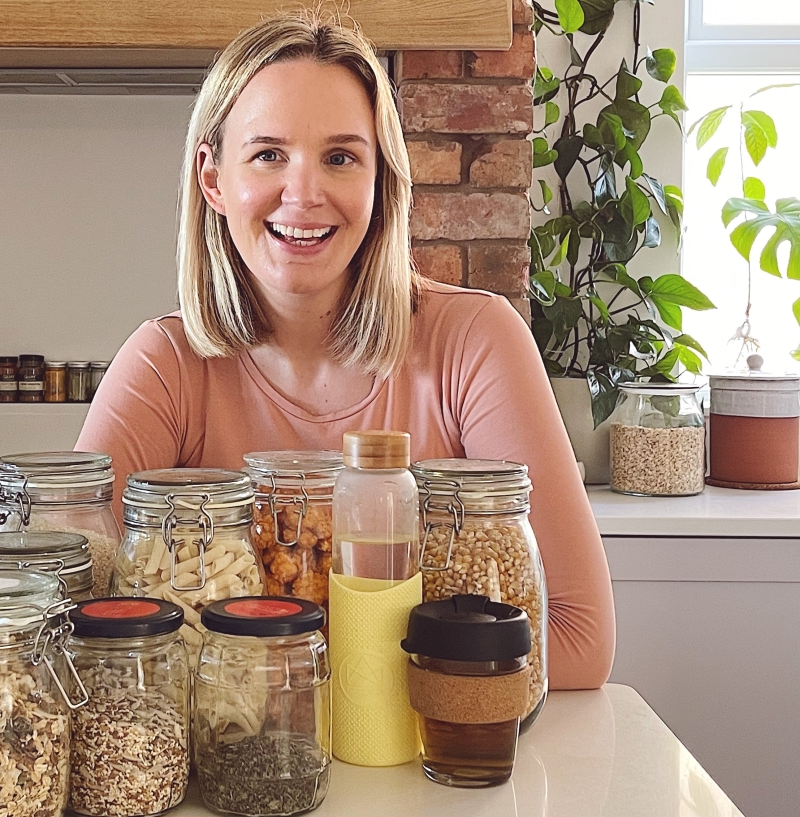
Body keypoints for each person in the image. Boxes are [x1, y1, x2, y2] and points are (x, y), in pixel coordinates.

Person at [77, 10, 615, 689]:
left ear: (380, 179)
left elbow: (577, 636)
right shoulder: (165, 363)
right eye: (269, 153)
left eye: (340, 157)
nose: (304, 194)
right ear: (214, 178)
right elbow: (72, 628)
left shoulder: (476, 342)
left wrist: (303, 690)